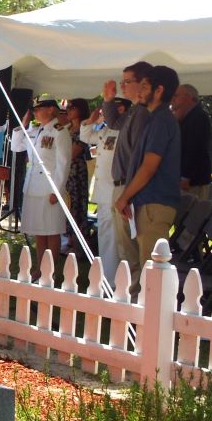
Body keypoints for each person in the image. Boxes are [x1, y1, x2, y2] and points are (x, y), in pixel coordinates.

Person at [114, 65, 183, 294]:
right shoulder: (154, 119)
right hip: (146, 202)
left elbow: (149, 167)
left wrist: (124, 197)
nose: (140, 91)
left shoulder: (162, 120)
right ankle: (139, 317)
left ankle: (150, 322)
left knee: (153, 271)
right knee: (144, 268)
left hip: (154, 204)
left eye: (144, 86)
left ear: (159, 90)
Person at [102, 61, 155, 283]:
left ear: (143, 84)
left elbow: (140, 158)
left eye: (127, 82)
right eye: (121, 82)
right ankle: (131, 297)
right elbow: (114, 122)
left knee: (132, 251)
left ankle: (136, 300)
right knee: (126, 249)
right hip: (122, 185)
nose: (122, 86)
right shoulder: (134, 111)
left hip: (129, 186)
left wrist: (127, 195)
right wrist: (107, 100)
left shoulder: (142, 114)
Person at [9, 98, 72, 281]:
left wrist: (57, 191)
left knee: (51, 229)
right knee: (39, 229)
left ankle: (50, 270)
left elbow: (63, 163)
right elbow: (16, 146)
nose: (35, 112)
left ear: (51, 110)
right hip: (33, 186)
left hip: (49, 187)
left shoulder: (60, 132)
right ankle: (40, 268)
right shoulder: (36, 131)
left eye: (39, 109)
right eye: (34, 110)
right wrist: (23, 124)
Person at [80, 97, 126, 284]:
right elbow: (85, 136)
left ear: (121, 109)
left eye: (108, 109)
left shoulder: (125, 131)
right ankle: (107, 277)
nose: (104, 113)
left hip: (115, 192)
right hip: (103, 192)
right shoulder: (106, 130)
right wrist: (91, 121)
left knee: (115, 239)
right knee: (105, 236)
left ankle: (115, 281)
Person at [172, 84, 212, 200]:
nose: (172, 99)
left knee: (195, 215)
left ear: (188, 97)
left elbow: (194, 149)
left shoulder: (199, 116)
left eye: (176, 96)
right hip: (189, 179)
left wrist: (186, 177)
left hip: (193, 181)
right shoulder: (187, 117)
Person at [62, 99, 91, 250]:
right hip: (66, 172)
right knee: (68, 205)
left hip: (77, 173)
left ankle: (80, 244)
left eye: (72, 107)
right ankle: (70, 240)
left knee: (78, 206)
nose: (68, 110)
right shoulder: (67, 129)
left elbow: (73, 153)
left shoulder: (84, 130)